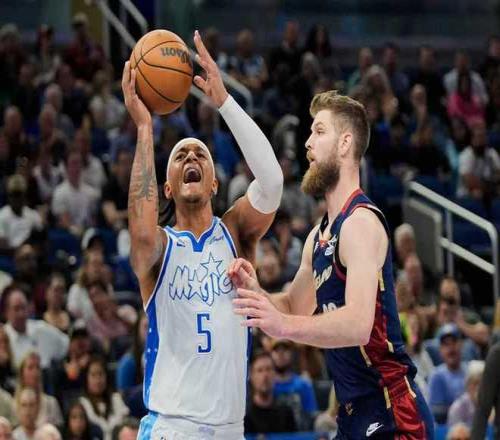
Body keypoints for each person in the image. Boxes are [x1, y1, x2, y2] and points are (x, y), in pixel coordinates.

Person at [230, 90, 433, 438]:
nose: (307, 142)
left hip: (392, 410)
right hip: (352, 414)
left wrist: (284, 326)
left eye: (319, 131)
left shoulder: (361, 222)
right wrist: (253, 295)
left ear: (345, 143)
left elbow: (358, 324)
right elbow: (293, 306)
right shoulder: (318, 237)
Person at [122, 29, 283, 440]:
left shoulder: (236, 232)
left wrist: (225, 101)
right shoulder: (161, 248)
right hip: (171, 428)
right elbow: (141, 236)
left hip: (230, 429)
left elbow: (272, 183)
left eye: (201, 154)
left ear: (214, 183)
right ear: (167, 187)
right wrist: (145, 129)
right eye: (180, 155)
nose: (191, 156)